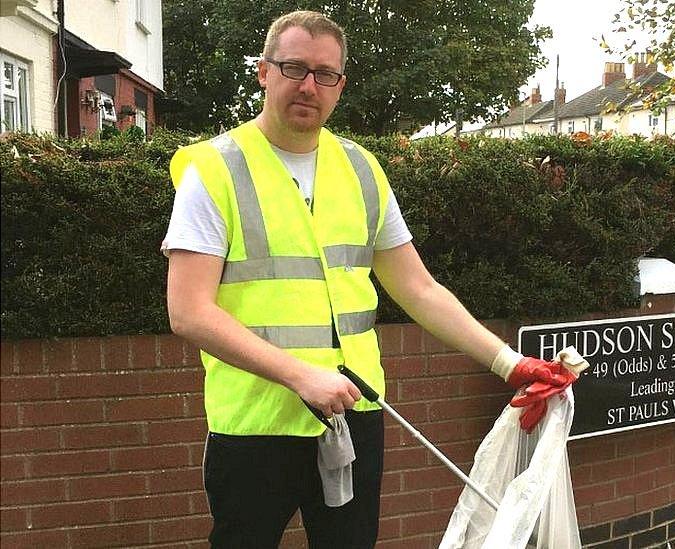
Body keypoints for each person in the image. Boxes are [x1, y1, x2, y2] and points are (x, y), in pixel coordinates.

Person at [162, 10, 574, 548]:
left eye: (325, 74)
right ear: (264, 72)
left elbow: (419, 289)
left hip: (355, 416)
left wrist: (510, 363)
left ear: (340, 85)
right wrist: (300, 376)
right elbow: (188, 311)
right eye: (293, 68)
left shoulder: (361, 170)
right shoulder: (215, 170)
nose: (309, 85)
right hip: (254, 429)